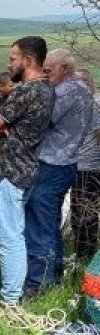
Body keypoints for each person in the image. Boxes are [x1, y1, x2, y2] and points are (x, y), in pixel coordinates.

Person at [0, 37, 54, 304]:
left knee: (7, 238)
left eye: (13, 58)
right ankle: (14, 292)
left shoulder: (26, 91)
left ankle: (10, 299)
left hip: (7, 171)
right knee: (16, 234)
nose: (9, 63)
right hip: (25, 167)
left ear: (28, 60)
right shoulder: (47, 88)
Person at [25, 48, 94, 294]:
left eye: (49, 71)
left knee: (40, 223)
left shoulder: (67, 91)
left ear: (65, 69)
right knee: (50, 222)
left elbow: (41, 118)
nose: (45, 76)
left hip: (52, 163)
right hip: (66, 162)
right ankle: (52, 276)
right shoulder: (83, 90)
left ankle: (37, 283)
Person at [72, 69, 100, 260]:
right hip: (82, 166)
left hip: (88, 167)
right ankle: (84, 255)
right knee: (82, 214)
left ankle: (85, 258)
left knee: (83, 216)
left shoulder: (94, 105)